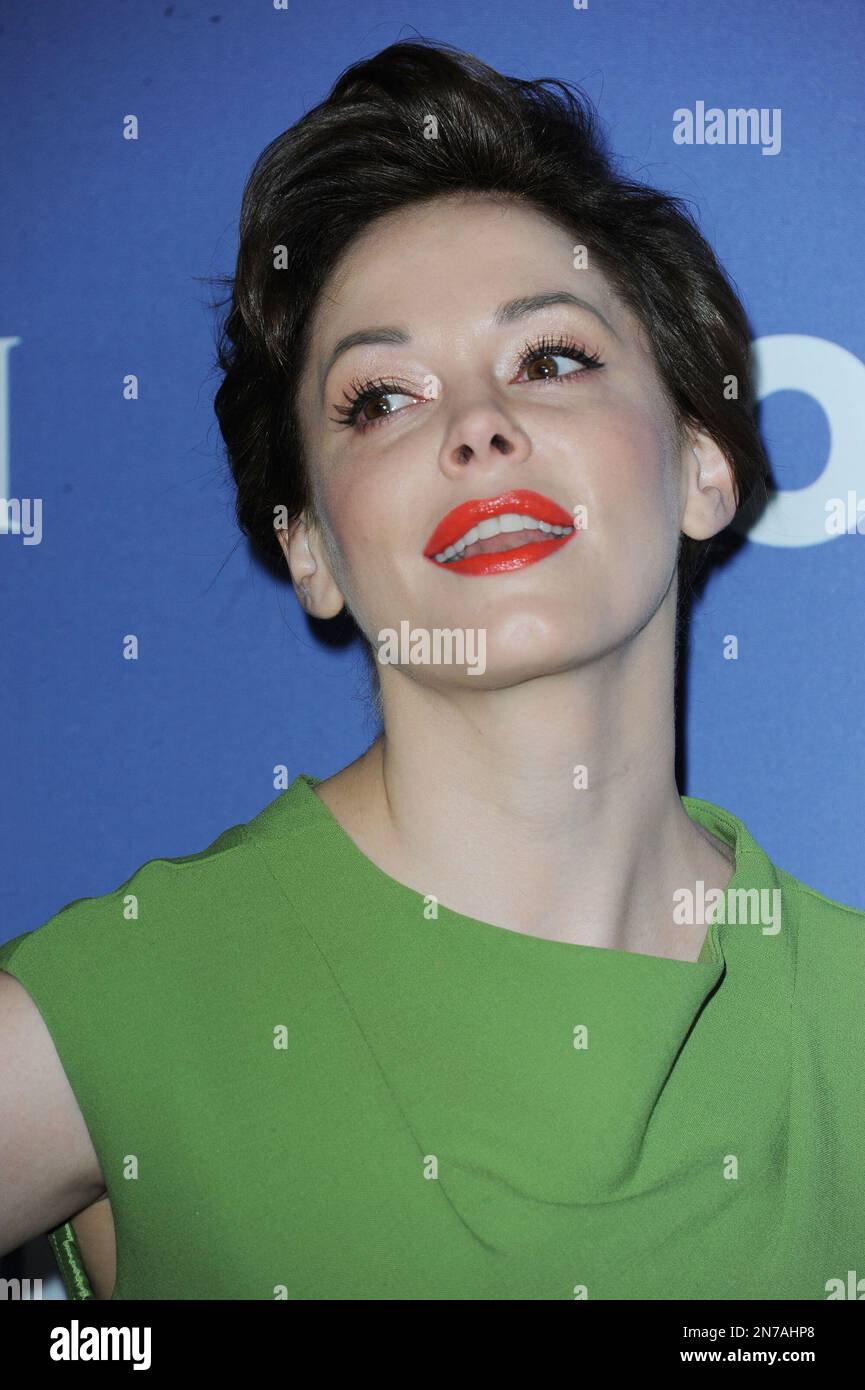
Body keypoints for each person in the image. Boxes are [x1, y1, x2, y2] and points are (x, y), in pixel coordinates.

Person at [1, 38, 863, 1302]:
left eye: (551, 358)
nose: (475, 424)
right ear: (310, 548)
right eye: (379, 398)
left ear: (701, 463)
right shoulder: (129, 1005)